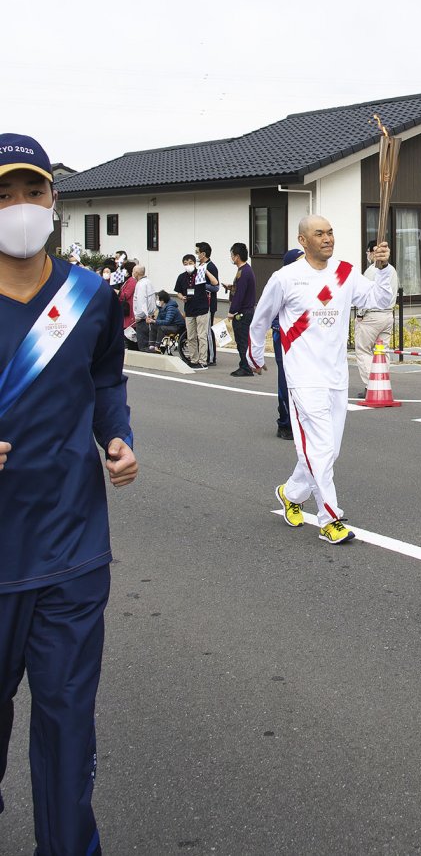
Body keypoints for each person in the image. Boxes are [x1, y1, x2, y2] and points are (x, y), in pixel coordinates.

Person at [0, 132, 138, 855]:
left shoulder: (90, 296)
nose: (20, 207)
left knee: (66, 729)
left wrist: (117, 436)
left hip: (71, 552)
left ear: (55, 198)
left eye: (32, 191)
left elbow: (107, 377)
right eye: (3, 195)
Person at [249, 215, 395, 543]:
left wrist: (383, 269)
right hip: (303, 377)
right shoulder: (286, 278)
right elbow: (261, 319)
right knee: (319, 448)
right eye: (319, 234)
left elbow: (380, 301)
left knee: (329, 451)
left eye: (330, 232)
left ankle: (291, 493)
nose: (328, 238)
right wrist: (254, 355)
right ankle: (329, 518)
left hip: (335, 375)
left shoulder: (344, 273)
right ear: (303, 240)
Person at [354, 239, 399, 396]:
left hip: (371, 315)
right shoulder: (391, 270)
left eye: (368, 253)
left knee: (363, 350)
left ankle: (370, 385)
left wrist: (360, 315)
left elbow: (366, 295)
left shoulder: (372, 271)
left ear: (373, 252)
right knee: (382, 351)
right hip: (388, 314)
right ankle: (382, 382)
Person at [271, 248, 304, 439]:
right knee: (286, 380)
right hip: (283, 337)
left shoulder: (307, 283)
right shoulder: (281, 283)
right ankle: (285, 424)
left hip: (303, 339)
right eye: (300, 260)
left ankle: (302, 422)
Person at [174, 253, 218, 368]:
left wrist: (205, 270)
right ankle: (194, 359)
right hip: (189, 309)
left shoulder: (200, 274)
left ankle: (203, 361)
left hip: (202, 308)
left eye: (190, 263)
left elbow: (215, 283)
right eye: (185, 264)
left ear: (194, 263)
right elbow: (178, 291)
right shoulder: (181, 277)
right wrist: (181, 297)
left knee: (202, 335)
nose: (188, 265)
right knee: (191, 336)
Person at [226, 242, 256, 377]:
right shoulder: (245, 270)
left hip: (243, 312)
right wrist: (231, 287)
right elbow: (239, 290)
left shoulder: (243, 272)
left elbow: (240, 294)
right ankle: (244, 364)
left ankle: (246, 366)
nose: (231, 258)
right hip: (246, 311)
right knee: (243, 340)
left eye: (232, 255)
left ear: (237, 256)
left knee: (242, 341)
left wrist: (232, 311)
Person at [196, 242, 219, 365]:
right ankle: (204, 354)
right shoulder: (200, 265)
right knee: (202, 331)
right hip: (200, 303)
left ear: (203, 254)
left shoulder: (211, 267)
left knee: (208, 331)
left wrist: (201, 286)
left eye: (197, 252)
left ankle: (211, 357)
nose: (196, 254)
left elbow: (216, 287)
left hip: (209, 304)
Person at [132, 263, 157, 352]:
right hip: (149, 316)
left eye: (133, 271)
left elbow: (141, 302)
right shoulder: (148, 282)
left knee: (143, 344)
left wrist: (138, 316)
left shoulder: (141, 284)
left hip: (143, 318)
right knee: (148, 342)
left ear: (136, 273)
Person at [118, 260, 137, 347]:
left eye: (125, 269)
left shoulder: (132, 281)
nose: (124, 271)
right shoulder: (128, 280)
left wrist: (118, 292)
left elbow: (126, 295)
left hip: (129, 309)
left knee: (128, 332)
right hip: (126, 308)